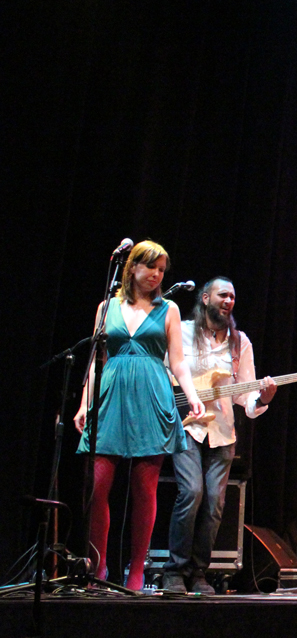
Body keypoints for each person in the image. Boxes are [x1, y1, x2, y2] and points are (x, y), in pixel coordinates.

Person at [74, 240, 205, 592]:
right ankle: (97, 567)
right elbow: (96, 362)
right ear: (132, 267)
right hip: (112, 396)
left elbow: (178, 361)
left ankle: (136, 571)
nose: (157, 275)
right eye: (151, 268)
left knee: (145, 489)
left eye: (162, 270)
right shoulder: (107, 306)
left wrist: (192, 398)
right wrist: (85, 403)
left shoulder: (170, 310)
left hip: (151, 398)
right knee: (98, 485)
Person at [162, 277, 275, 595]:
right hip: (185, 425)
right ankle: (174, 571)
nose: (229, 301)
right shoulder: (181, 332)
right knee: (192, 493)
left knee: (214, 504)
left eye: (233, 297)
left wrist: (263, 398)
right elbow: (163, 373)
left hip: (223, 433)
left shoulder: (240, 343)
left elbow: (247, 400)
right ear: (205, 298)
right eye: (223, 295)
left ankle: (198, 573)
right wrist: (177, 399)